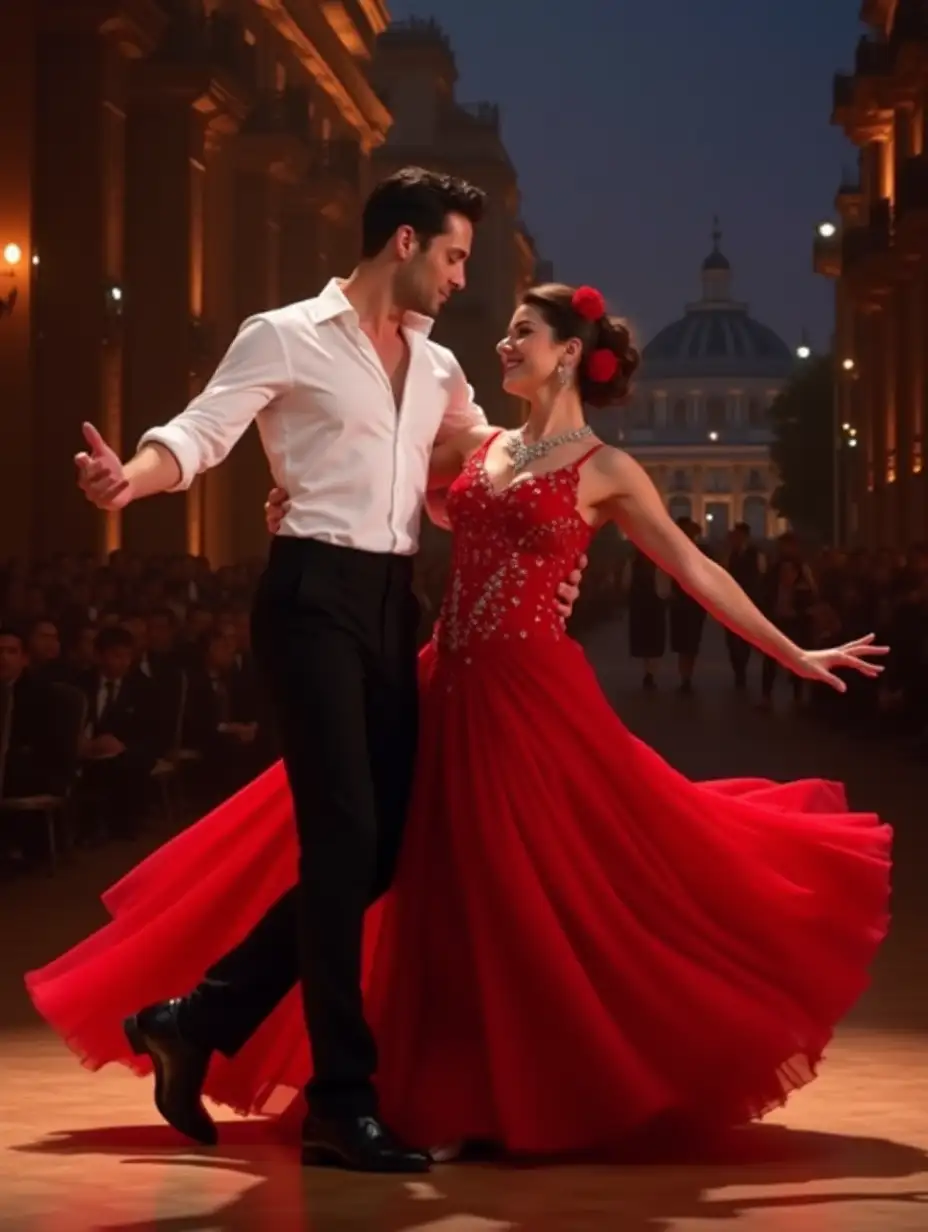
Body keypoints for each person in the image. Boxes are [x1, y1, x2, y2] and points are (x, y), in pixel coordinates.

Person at [27, 282, 891, 1167]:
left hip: (529, 696)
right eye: (509, 331)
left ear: (566, 353)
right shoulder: (475, 446)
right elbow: (371, 480)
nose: (505, 344)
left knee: (517, 890)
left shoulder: (608, 470)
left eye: (522, 333)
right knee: (422, 882)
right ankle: (338, 1059)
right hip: (440, 683)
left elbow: (694, 568)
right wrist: (294, 510)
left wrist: (796, 652)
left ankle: (497, 1091)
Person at [49, 167, 583, 1174]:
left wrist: (556, 543)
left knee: (378, 850)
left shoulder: (436, 367)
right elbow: (201, 432)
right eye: (457, 255)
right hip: (308, 600)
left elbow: (486, 458)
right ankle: (343, 1098)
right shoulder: (283, 333)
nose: (463, 278)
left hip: (393, 601)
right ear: (405, 244)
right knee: (342, 830)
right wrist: (132, 475)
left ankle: (195, 1014)